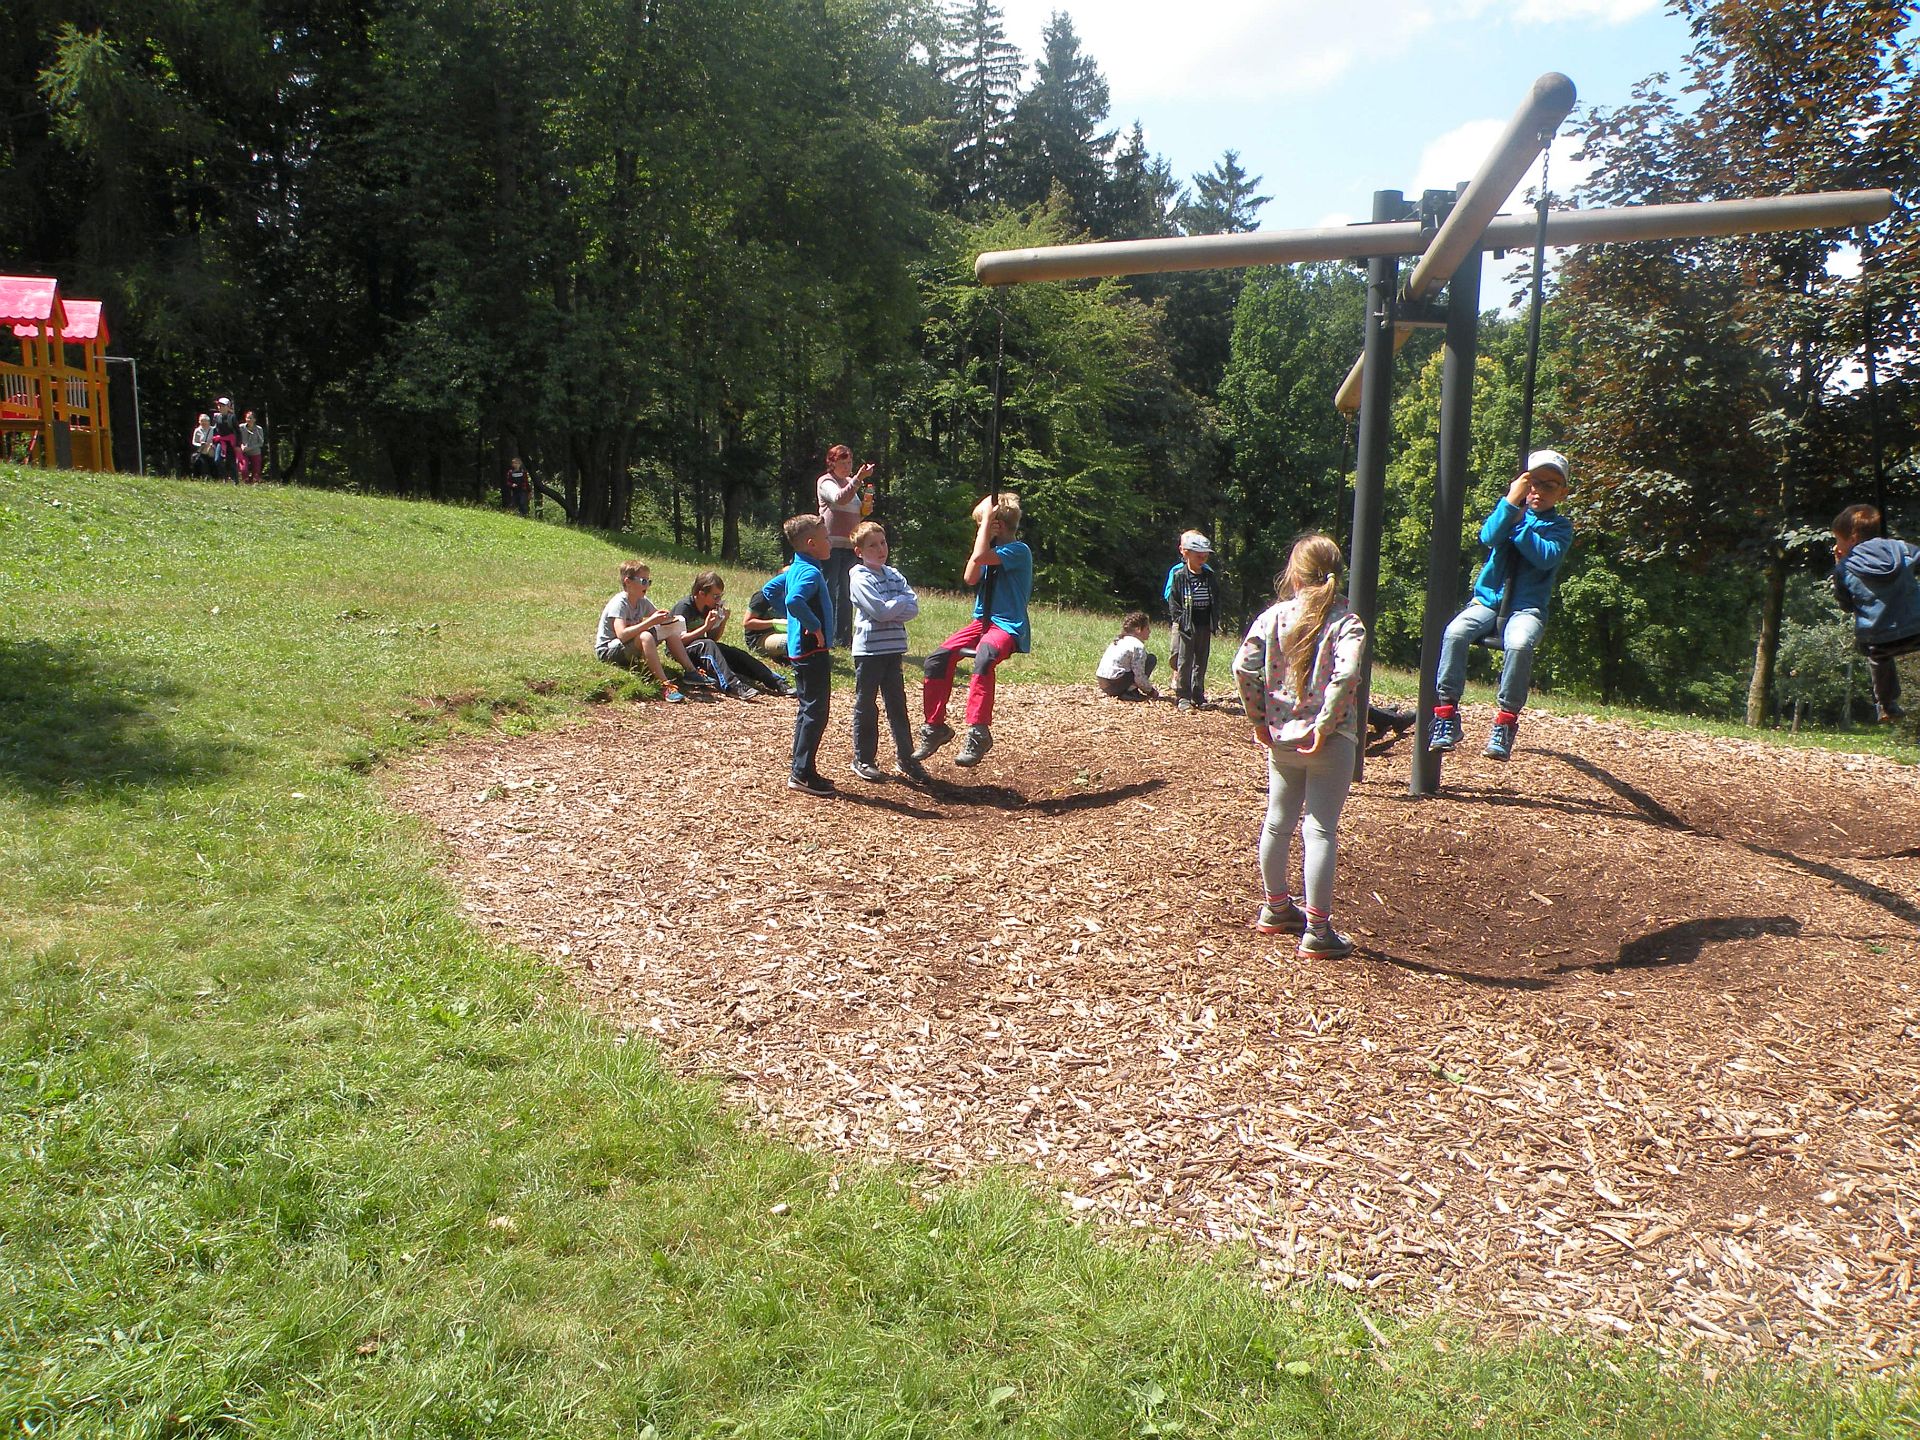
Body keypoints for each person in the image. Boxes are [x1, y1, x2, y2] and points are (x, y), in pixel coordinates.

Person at [1234, 533, 1368, 960]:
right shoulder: (1346, 622)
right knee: (1320, 829)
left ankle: (1276, 908)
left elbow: (1243, 668)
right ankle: (1318, 930)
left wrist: (1259, 720)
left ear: (1294, 575)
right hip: (1331, 742)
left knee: (1277, 822)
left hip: (1282, 738)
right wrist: (1325, 726)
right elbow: (1347, 676)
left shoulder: (1273, 617)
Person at [1427, 449, 1574, 762]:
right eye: (1534, 483)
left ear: (1562, 493)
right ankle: (1446, 713)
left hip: (1526, 608)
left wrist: (1519, 525)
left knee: (1519, 644)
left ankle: (1505, 722)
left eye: (1550, 486)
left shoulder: (1560, 528)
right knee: (1455, 632)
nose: (1539, 491)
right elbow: (1489, 536)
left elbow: (1545, 556)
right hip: (1489, 601)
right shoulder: (1509, 509)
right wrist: (1510, 502)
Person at [911, 491, 1032, 768]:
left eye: (981, 524)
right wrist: (985, 533)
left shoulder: (1018, 551)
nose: (979, 530)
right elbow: (970, 576)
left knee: (984, 657)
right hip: (982, 623)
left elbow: (980, 556)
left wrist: (986, 525)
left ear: (997, 525)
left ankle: (979, 732)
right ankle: (935, 727)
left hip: (1007, 625)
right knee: (936, 659)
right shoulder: (989, 552)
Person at [847, 520, 926, 782]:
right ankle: (863, 759)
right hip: (869, 652)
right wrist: (899, 603)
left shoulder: (893, 574)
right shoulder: (860, 578)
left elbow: (913, 608)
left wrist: (895, 605)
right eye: (872, 545)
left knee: (897, 705)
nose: (880, 549)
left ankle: (907, 758)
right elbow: (879, 612)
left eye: (882, 543)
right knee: (867, 705)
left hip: (893, 648)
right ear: (859, 551)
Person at [1830, 502, 1920, 724]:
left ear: (1852, 539)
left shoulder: (1844, 568)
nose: (1836, 545)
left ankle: (1887, 705)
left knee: (1879, 659)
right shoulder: (1901, 549)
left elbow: (1846, 605)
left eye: (1837, 539)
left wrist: (1840, 564)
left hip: (1878, 639)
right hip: (1916, 628)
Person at [781, 514, 838, 796]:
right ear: (812, 543)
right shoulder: (810, 573)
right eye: (826, 538)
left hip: (799, 650)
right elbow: (793, 600)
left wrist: (794, 622)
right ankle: (801, 774)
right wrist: (813, 626)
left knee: (807, 710)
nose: (830, 543)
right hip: (812, 649)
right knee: (816, 712)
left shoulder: (796, 567)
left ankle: (803, 768)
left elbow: (771, 590)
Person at [672, 571, 793, 699]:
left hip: (703, 647)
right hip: (683, 651)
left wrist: (722, 621)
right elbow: (678, 641)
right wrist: (705, 627)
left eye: (720, 596)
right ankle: (732, 685)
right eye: (715, 596)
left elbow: (712, 638)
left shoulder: (708, 607)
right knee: (708, 644)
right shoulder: (684, 607)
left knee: (736, 654)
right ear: (702, 593)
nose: (719, 600)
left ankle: (776, 682)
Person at [595, 560, 687, 703]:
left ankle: (691, 671)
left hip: (627, 646)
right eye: (643, 581)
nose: (647, 586)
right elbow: (622, 635)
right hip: (609, 651)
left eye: (649, 581)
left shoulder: (642, 600)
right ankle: (665, 685)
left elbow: (658, 618)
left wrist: (668, 618)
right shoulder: (619, 603)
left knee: (669, 631)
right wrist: (650, 622)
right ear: (628, 582)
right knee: (645, 636)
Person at [816, 444, 876, 648]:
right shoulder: (825, 481)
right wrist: (859, 478)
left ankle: (843, 639)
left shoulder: (851, 483)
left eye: (849, 463)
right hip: (830, 546)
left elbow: (856, 512)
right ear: (831, 463)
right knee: (829, 590)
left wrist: (865, 509)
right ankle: (825, 635)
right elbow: (839, 499)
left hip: (850, 546)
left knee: (846, 593)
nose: (847, 467)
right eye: (842, 463)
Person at [1165, 530, 1222, 711]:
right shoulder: (1179, 575)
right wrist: (1180, 620)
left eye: (1205, 556)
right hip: (1187, 625)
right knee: (1184, 660)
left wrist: (1215, 618)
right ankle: (1183, 696)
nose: (1202, 559)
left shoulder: (1209, 575)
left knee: (1201, 660)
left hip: (1205, 623)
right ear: (1187, 554)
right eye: (1198, 555)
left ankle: (1198, 695)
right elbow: (1173, 600)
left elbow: (1216, 597)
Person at [1095, 612, 1160, 700]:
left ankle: (1128, 690)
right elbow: (1139, 676)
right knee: (1150, 659)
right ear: (1138, 629)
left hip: (1103, 682)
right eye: (1147, 628)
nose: (1150, 631)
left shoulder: (1119, 640)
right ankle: (1130, 692)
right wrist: (1151, 691)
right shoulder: (1137, 646)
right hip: (1115, 684)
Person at [209, 398, 239, 481]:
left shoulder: (232, 417)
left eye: (222, 405)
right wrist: (213, 442)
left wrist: (238, 444)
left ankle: (235, 480)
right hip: (221, 441)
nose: (220, 407)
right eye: (219, 405)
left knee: (231, 462)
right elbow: (215, 430)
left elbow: (237, 431)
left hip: (231, 442)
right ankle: (224, 477)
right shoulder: (216, 417)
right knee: (217, 460)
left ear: (228, 407)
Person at [237, 410, 265, 483]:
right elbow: (237, 438)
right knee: (243, 469)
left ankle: (255, 482)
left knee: (256, 471)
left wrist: (250, 448)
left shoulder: (259, 429)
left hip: (255, 452)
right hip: (243, 452)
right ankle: (245, 482)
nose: (249, 420)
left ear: (254, 419)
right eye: (247, 418)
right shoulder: (241, 427)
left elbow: (261, 443)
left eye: (251, 418)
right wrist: (241, 445)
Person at [188, 413, 214, 478]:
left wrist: (211, 444)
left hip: (211, 449)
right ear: (199, 422)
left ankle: (213, 476)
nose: (204, 423)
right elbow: (194, 442)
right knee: (202, 461)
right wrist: (200, 444)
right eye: (202, 421)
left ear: (209, 422)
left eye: (205, 421)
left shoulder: (213, 429)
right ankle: (202, 476)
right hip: (201, 450)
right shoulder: (197, 430)